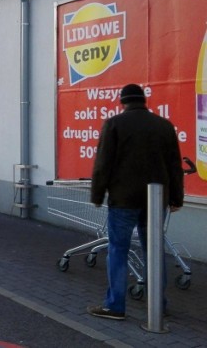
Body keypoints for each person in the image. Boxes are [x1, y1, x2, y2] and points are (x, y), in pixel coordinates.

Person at [87, 84, 184, 320]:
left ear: (123, 102)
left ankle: (115, 306)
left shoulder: (115, 124)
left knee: (118, 250)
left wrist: (97, 195)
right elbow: (174, 165)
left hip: (123, 199)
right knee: (153, 249)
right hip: (156, 198)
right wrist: (176, 198)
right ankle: (158, 302)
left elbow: (103, 164)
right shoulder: (164, 126)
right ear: (144, 101)